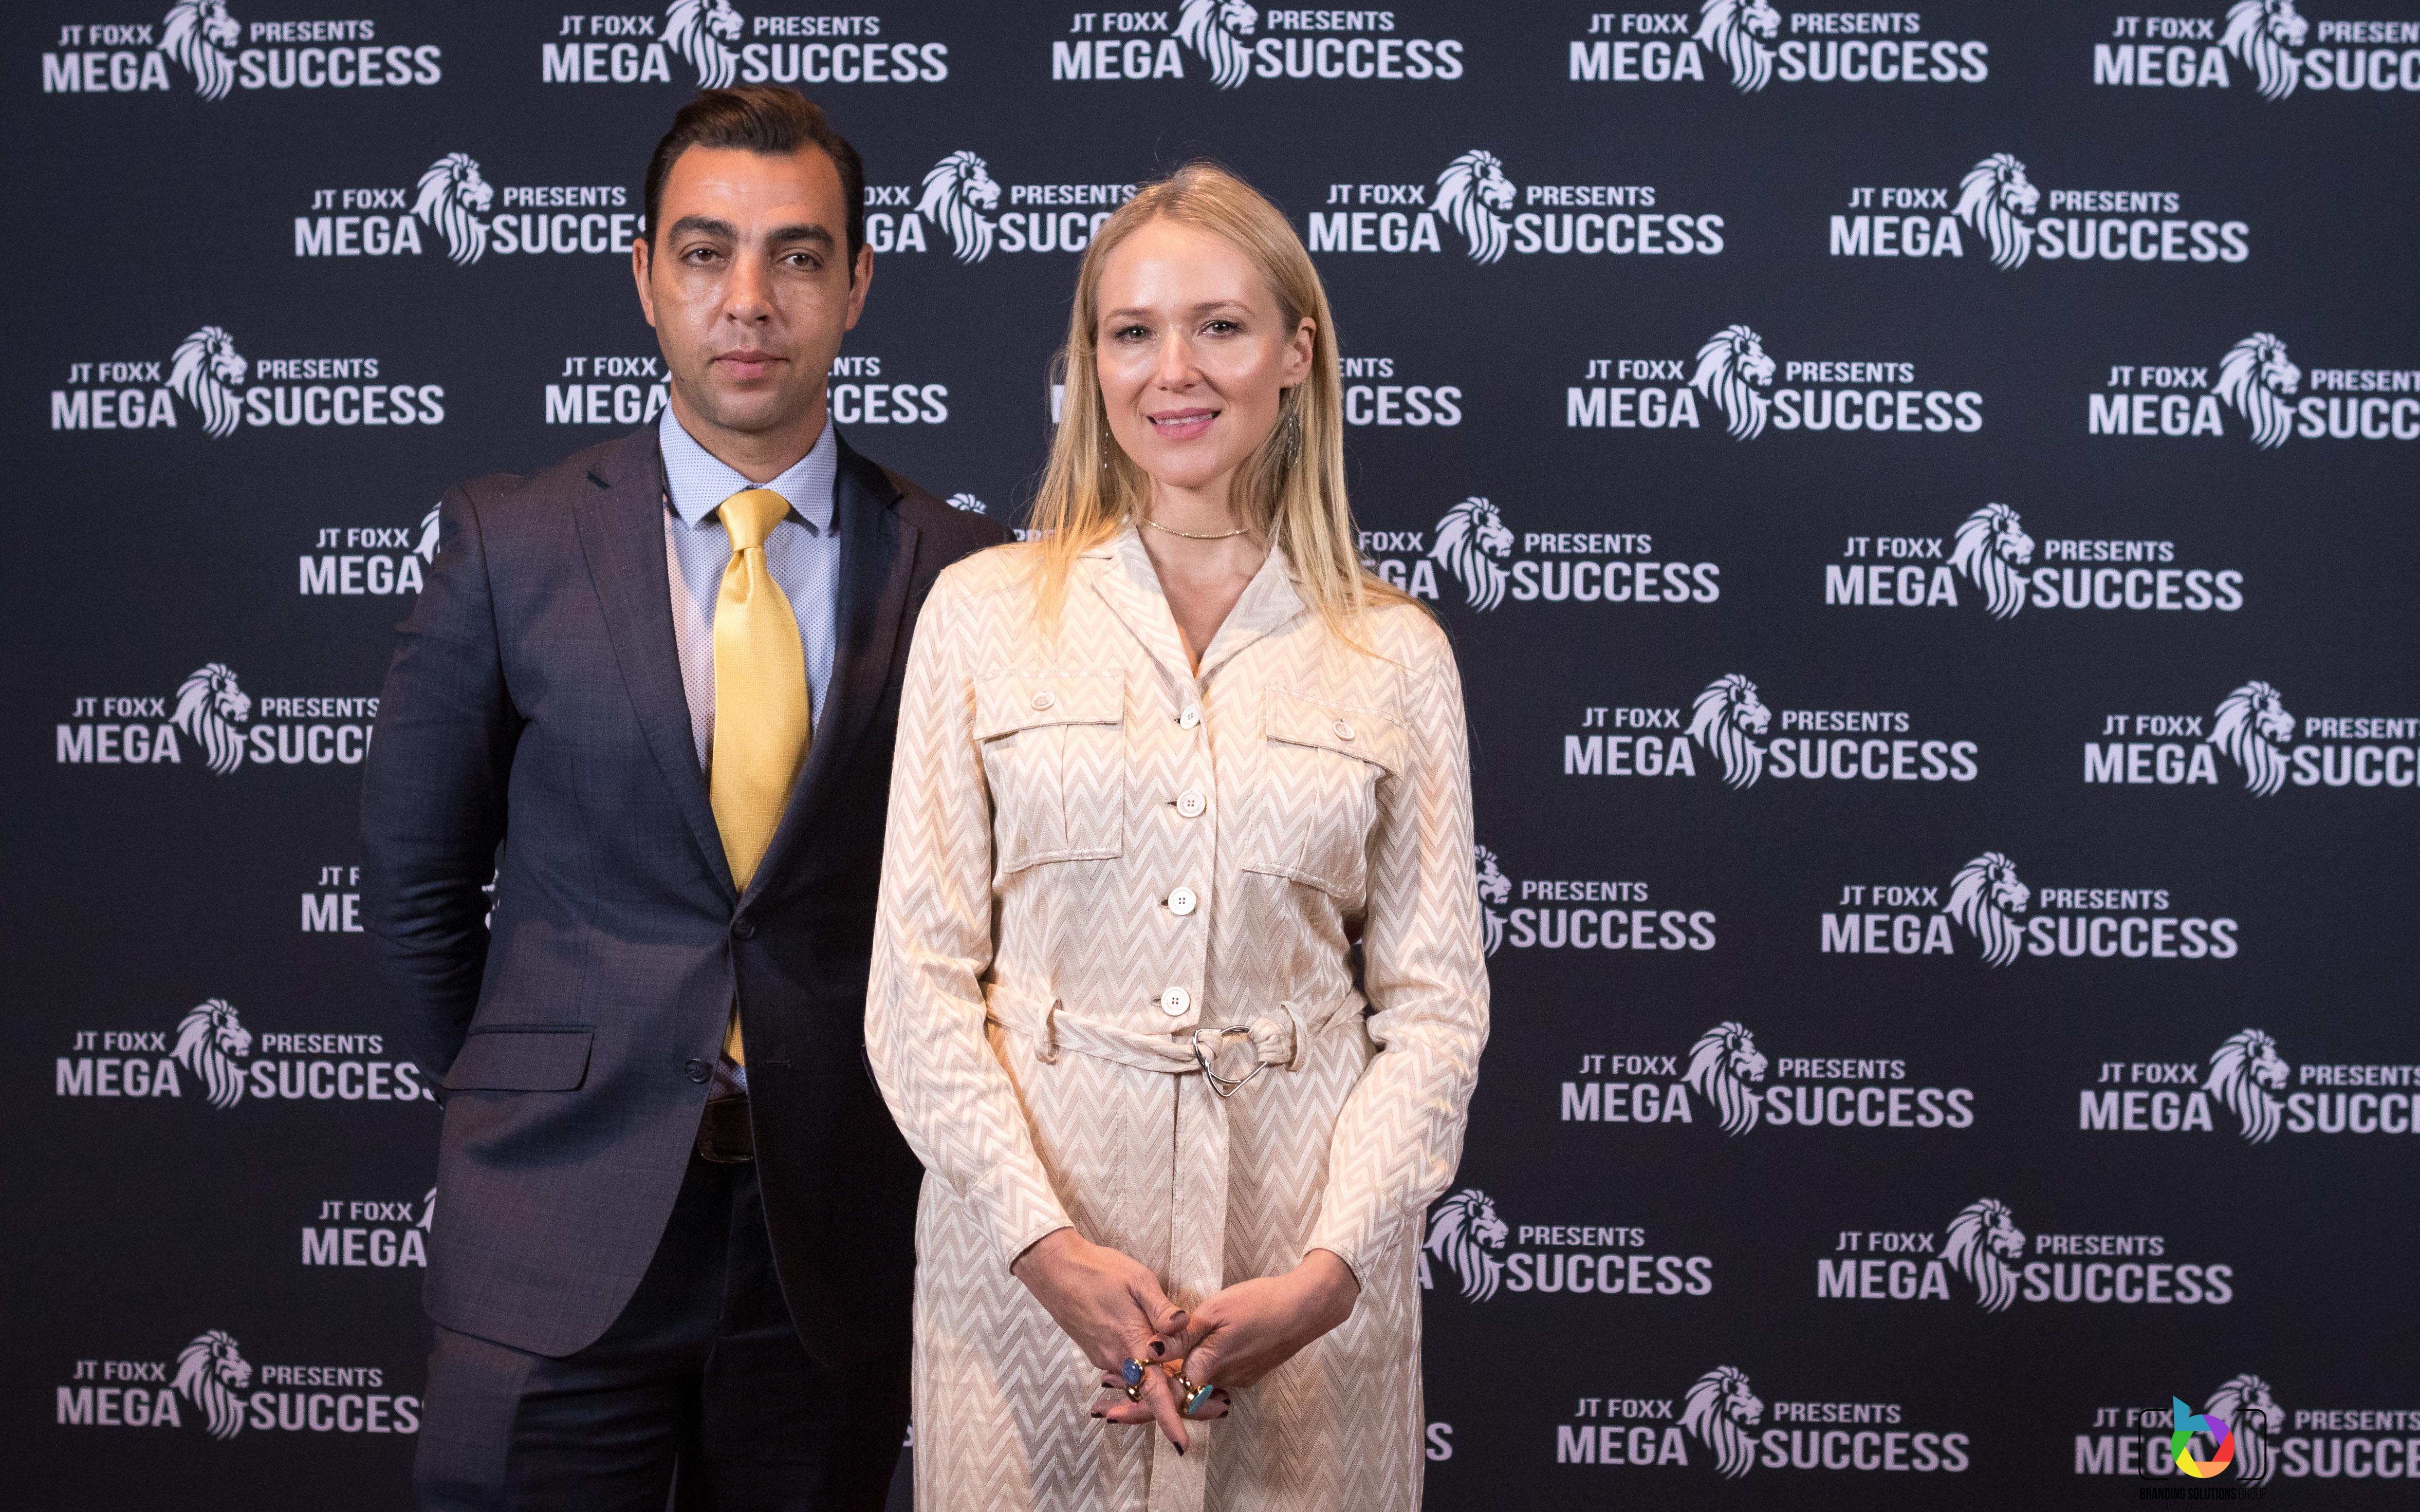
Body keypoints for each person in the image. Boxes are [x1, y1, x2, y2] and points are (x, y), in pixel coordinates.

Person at [360, 86, 1001, 1510]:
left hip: (828, 1240)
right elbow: (415, 888)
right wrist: (531, 1092)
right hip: (554, 1222)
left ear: (858, 284)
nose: (749, 299)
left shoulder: (963, 570)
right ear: (645, 275)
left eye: (797, 256)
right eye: (706, 253)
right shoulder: (511, 542)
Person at [866, 163, 1490, 1512]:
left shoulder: (1395, 654)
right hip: (1026, 1284)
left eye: (1220, 326)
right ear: (1091, 364)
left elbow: (1436, 1013)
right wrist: (1043, 1248)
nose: (1174, 371)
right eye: (1132, 331)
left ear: (1297, 354)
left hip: (1297, 1287)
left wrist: (1330, 1275)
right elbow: (916, 987)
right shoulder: (981, 617)